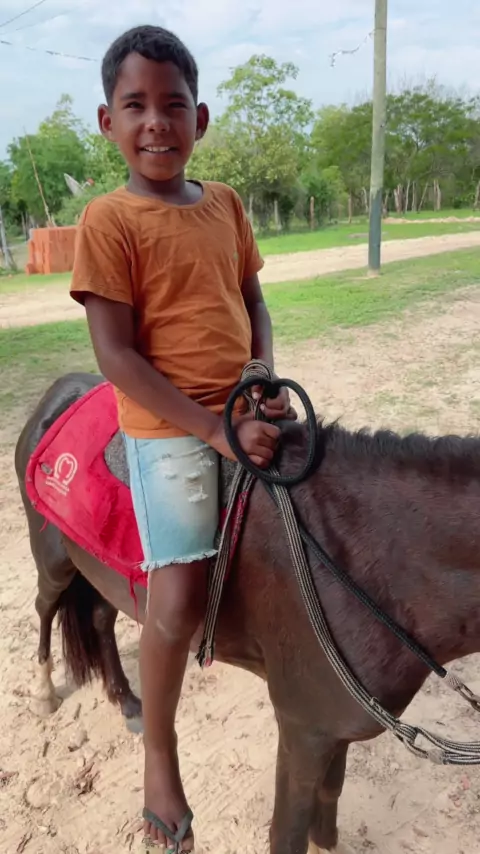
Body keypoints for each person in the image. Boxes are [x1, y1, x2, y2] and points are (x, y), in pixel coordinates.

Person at [70, 24, 295, 852]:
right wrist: (213, 431)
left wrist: (262, 375)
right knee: (176, 599)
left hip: (242, 405)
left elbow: (253, 302)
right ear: (109, 122)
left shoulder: (226, 203)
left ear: (199, 118)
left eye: (173, 105)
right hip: (170, 427)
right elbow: (116, 357)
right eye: (136, 106)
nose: (156, 122)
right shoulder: (108, 220)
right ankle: (159, 756)